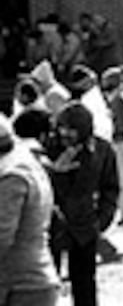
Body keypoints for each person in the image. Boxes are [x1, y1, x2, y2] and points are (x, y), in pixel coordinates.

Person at [45, 102, 119, 306]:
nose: (65, 133)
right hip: (52, 226)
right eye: (62, 127)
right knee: (47, 287)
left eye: (72, 129)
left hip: (85, 226)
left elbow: (110, 188)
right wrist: (55, 170)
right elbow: (37, 186)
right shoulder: (48, 148)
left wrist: (102, 221)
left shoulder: (102, 150)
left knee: (85, 286)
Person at [0, 111, 63, 306]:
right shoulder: (24, 162)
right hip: (32, 283)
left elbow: (1, 235)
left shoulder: (12, 177)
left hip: (22, 288)